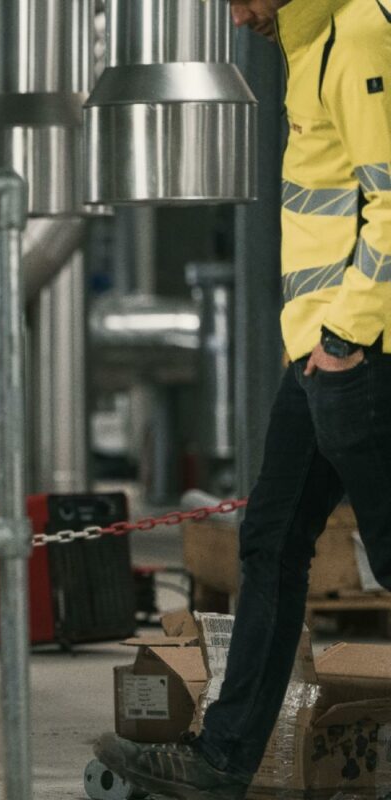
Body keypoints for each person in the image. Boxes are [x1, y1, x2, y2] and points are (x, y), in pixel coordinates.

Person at [96, 0, 391, 797]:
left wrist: (347, 338)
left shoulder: (361, 29)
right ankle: (222, 761)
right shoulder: (310, 41)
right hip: (323, 352)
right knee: (270, 541)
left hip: (364, 349)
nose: (236, 17)